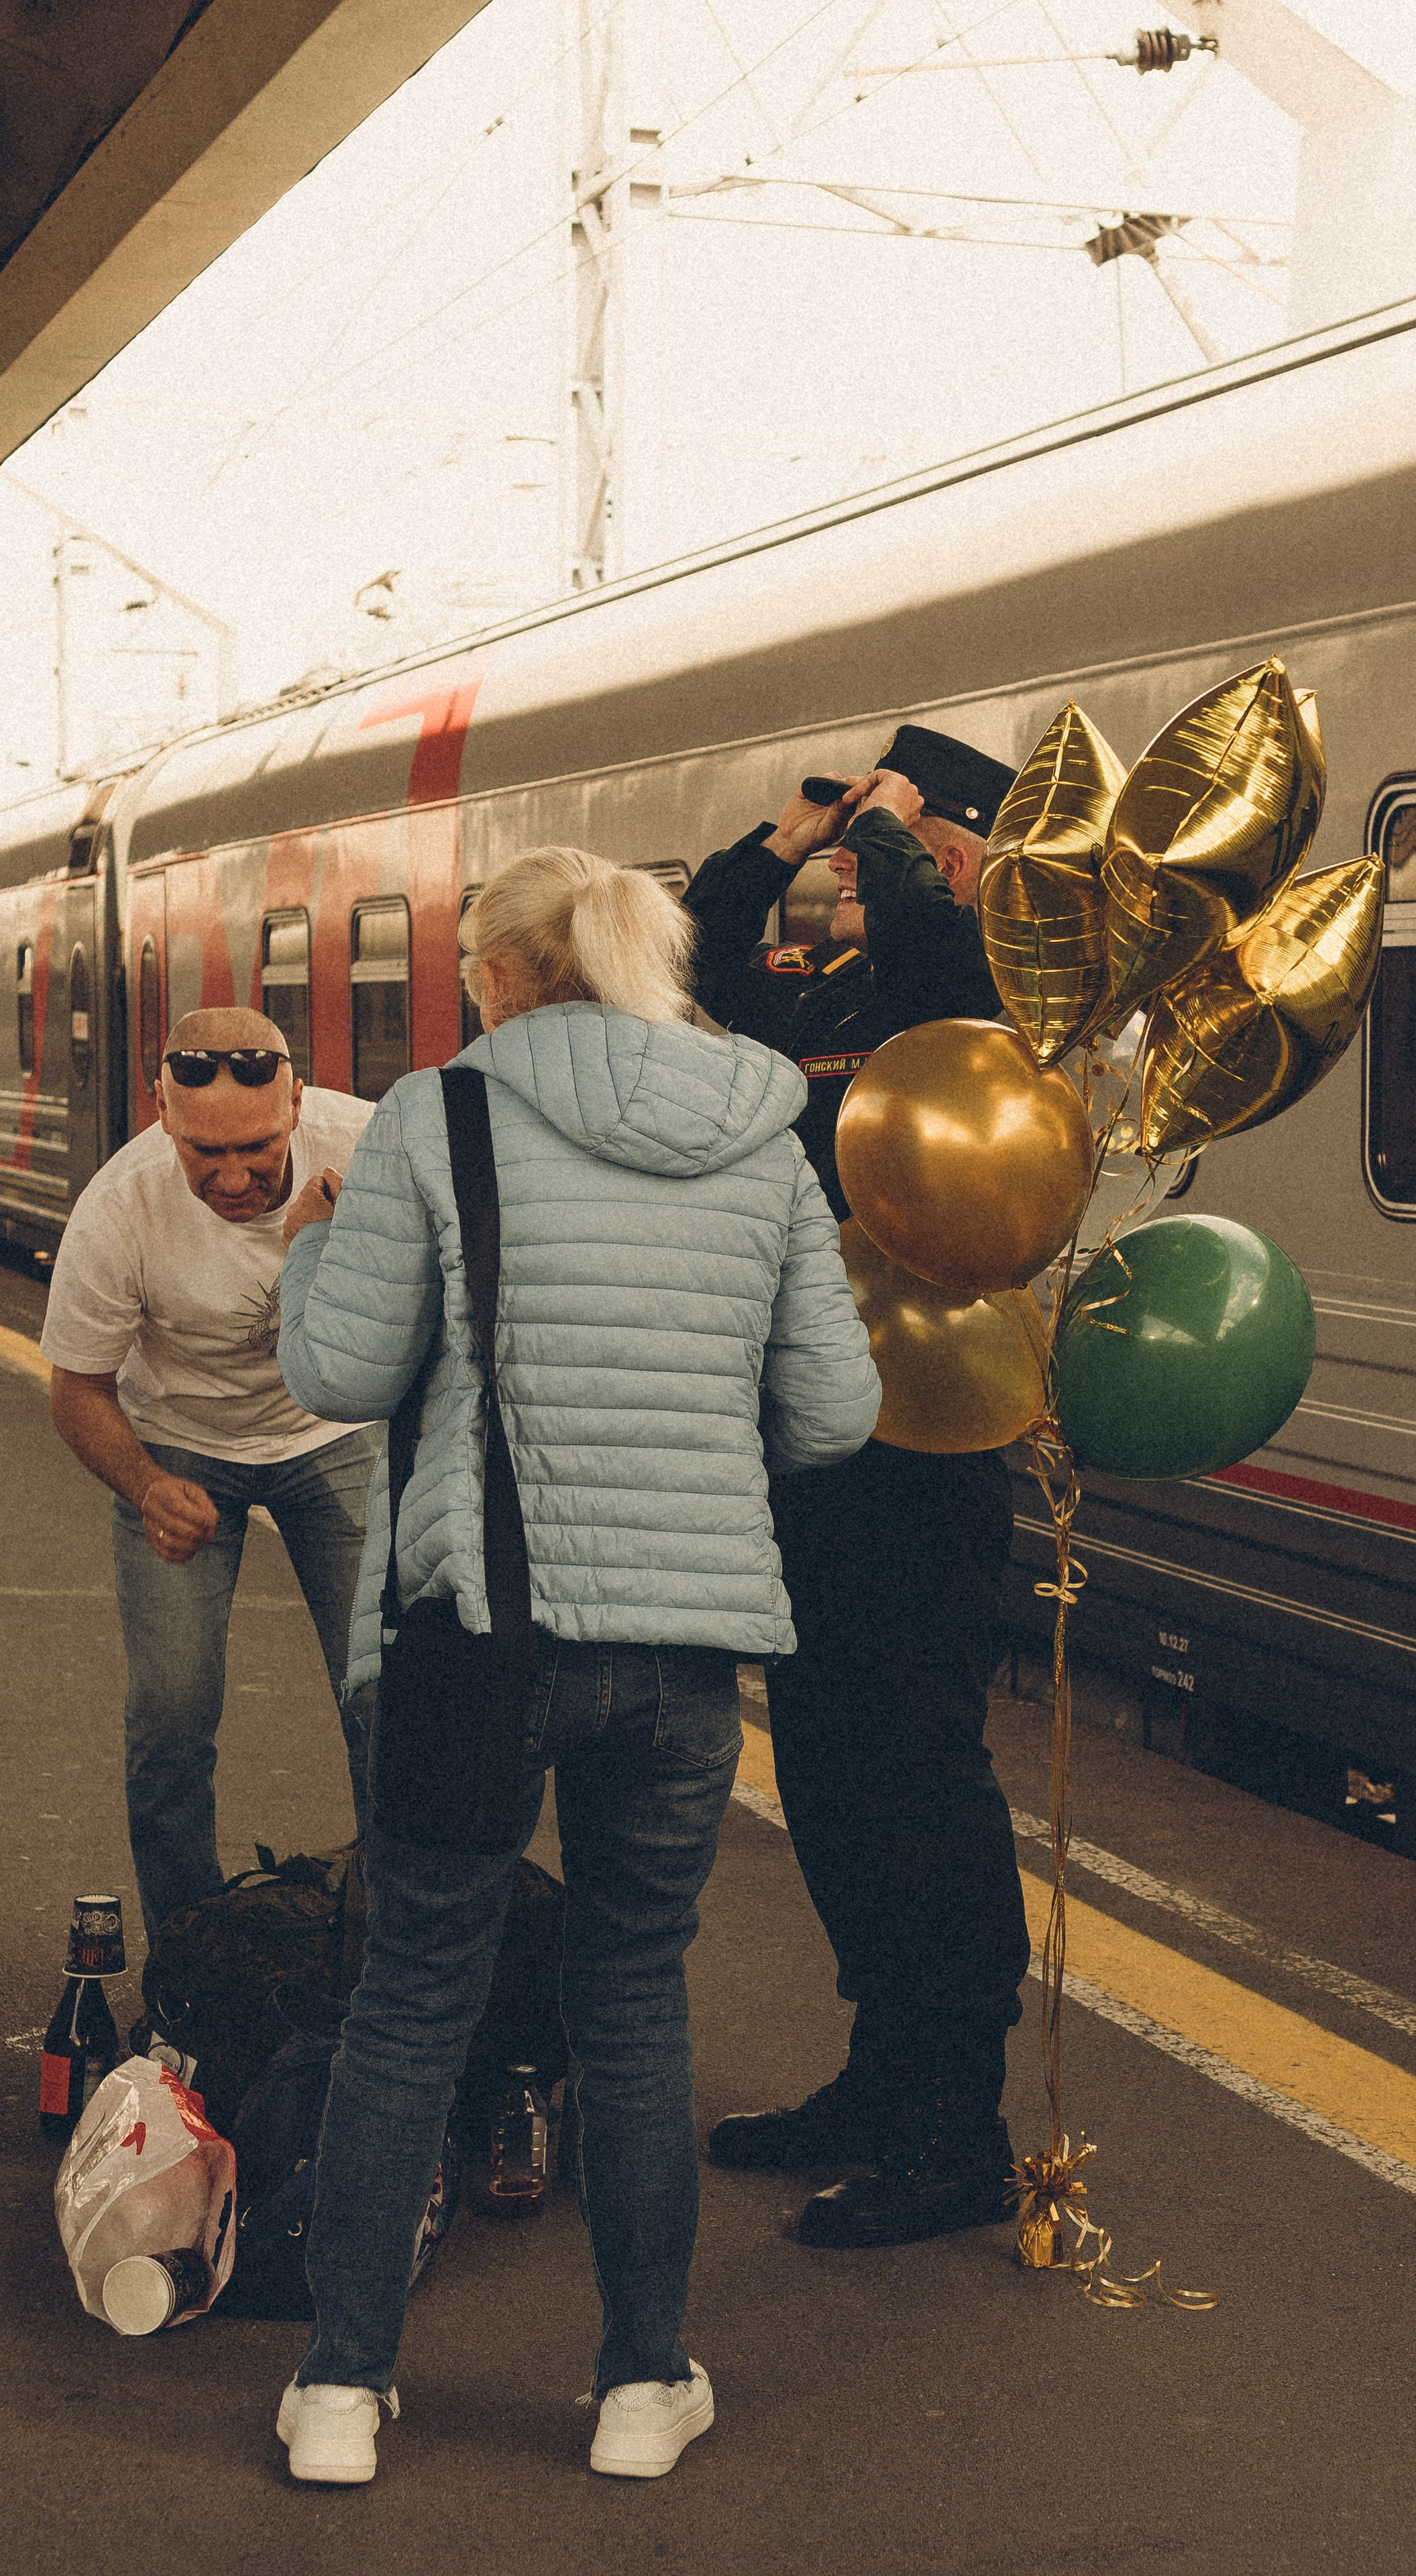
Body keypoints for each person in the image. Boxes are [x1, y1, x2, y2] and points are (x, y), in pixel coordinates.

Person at [268, 843, 879, 2488]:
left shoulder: (439, 1116)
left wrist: (316, 1244)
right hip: (682, 1654)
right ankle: (639, 2388)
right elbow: (834, 1412)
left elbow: (339, 1369)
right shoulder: (765, 1129)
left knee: (417, 1995)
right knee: (631, 1996)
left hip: (482, 1637)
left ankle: (341, 2392)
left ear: (502, 973)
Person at [683, 724, 1036, 2253]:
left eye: (893, 848)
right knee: (829, 1774)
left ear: (954, 857)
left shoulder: (986, 998)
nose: (853, 873)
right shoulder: (826, 1005)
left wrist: (894, 839)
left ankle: (958, 2130)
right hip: (816, 1446)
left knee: (921, 1783)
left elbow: (951, 959)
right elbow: (699, 955)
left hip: (935, 1454)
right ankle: (880, 2075)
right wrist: (777, 846)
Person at [40, 1008, 378, 1941]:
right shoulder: (120, 1204)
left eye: (257, 1147)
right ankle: (190, 1956)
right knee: (170, 1718)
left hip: (335, 1428)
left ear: (298, 1103)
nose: (233, 1178)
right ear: (163, 1117)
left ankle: (393, 1948)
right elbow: (76, 1389)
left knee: (386, 1697)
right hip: (176, 1445)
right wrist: (147, 1486)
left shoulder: (372, 1148)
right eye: (205, 1153)